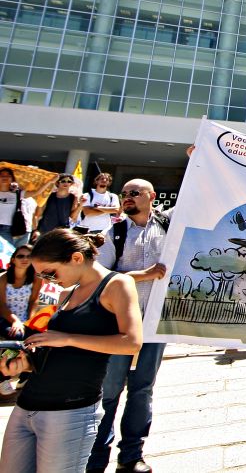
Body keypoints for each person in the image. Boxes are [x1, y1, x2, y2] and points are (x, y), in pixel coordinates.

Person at [0, 229, 142, 473]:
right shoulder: (66, 294)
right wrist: (24, 364)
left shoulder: (117, 284)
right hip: (27, 404)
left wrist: (67, 338)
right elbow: (57, 348)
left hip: (71, 410)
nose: (47, 281)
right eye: (42, 276)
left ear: (76, 258)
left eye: (50, 273)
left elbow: (131, 342)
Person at [87, 179, 172, 473]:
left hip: (154, 324)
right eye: (124, 194)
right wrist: (142, 275)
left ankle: (131, 456)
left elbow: (197, 195)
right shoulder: (116, 233)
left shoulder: (169, 225)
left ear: (151, 196)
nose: (127, 198)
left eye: (133, 193)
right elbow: (102, 277)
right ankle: (96, 458)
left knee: (142, 390)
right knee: (108, 392)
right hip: (119, 326)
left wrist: (199, 158)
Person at [0, 244, 43, 395]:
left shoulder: (36, 278)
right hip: (5, 318)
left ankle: (25, 376)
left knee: (36, 338)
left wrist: (30, 322)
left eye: (28, 256)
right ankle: (3, 376)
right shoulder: (4, 278)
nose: (25, 259)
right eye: (20, 256)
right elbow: (2, 305)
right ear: (13, 260)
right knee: (16, 337)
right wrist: (16, 321)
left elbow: (34, 301)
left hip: (24, 319)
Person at [0, 168, 54, 246]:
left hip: (9, 229)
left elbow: (37, 192)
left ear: (12, 179)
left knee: (8, 253)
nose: (5, 177)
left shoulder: (18, 193)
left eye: (8, 175)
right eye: (2, 175)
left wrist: (50, 182)